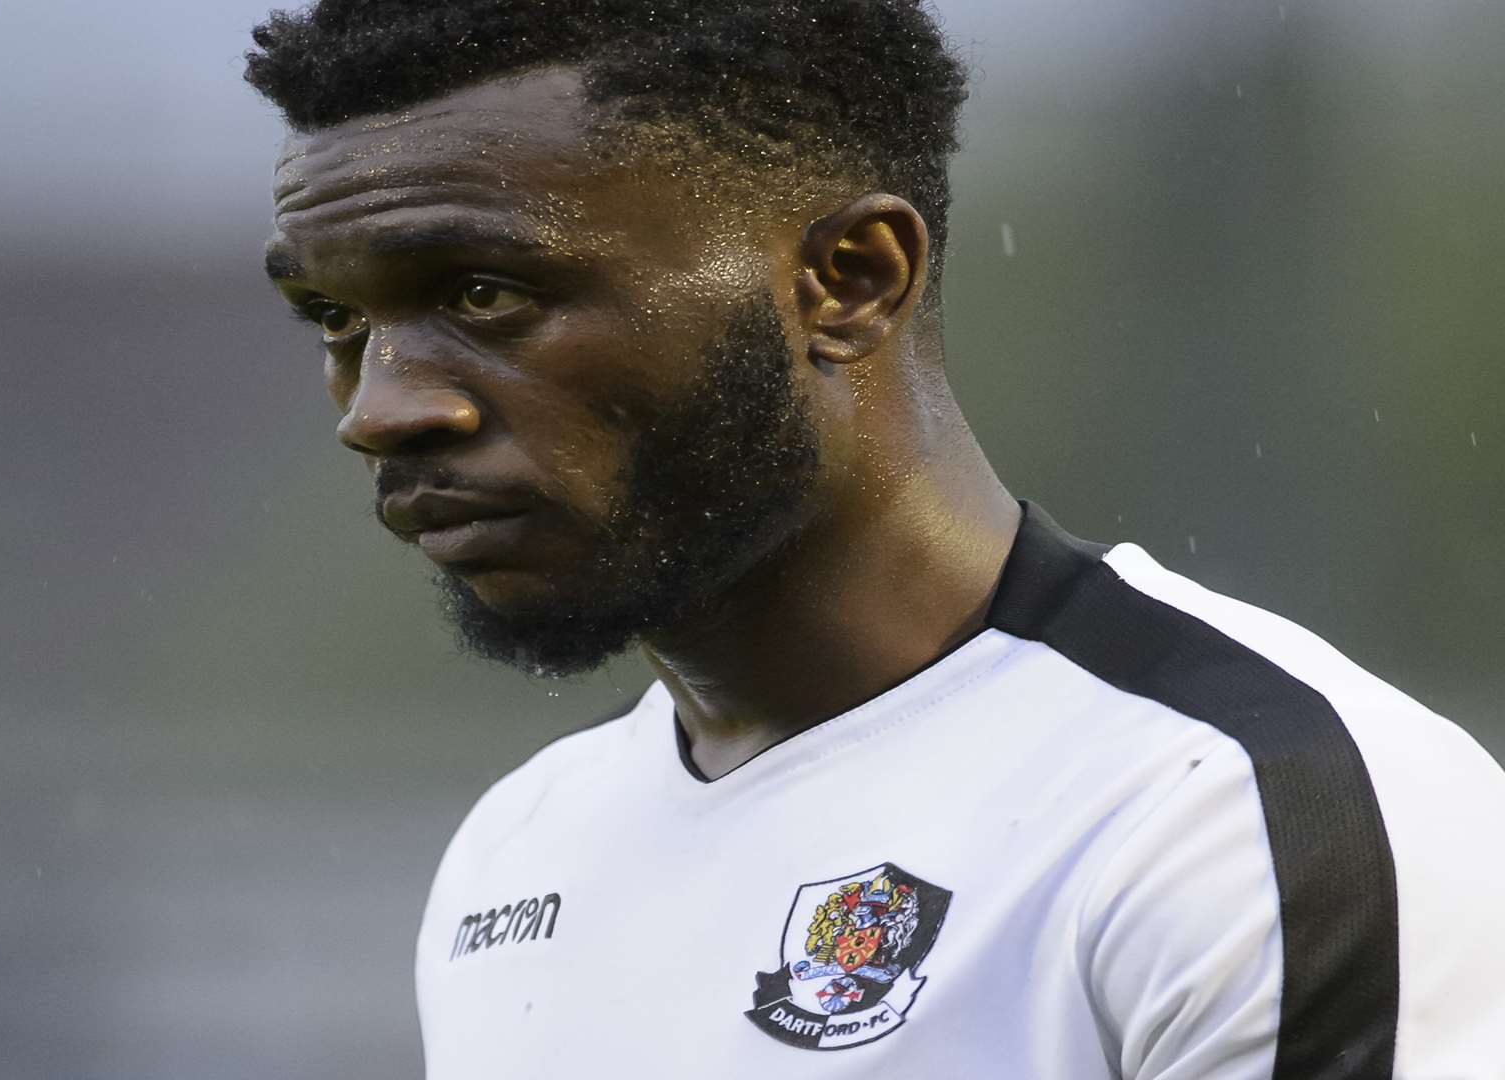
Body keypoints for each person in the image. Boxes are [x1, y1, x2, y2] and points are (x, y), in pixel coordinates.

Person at [245, 2, 1505, 1076]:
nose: (383, 407)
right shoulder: (518, 853)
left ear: (850, 278)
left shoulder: (1240, 817)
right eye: (334, 317)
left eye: (486, 293)